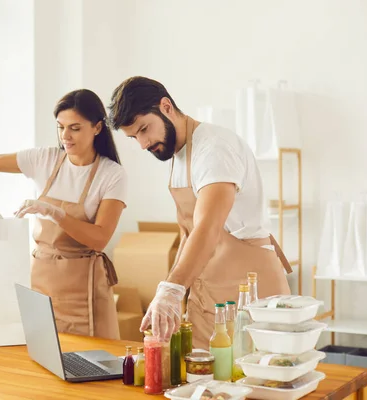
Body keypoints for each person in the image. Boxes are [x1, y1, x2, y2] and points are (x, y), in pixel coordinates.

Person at [107, 76, 291, 349]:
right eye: (135, 137)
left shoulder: (214, 149)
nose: (143, 144)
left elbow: (207, 228)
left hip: (248, 290)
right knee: (204, 383)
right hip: (208, 289)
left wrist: (172, 288)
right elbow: (189, 233)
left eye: (145, 129)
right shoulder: (179, 154)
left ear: (166, 107)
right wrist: (171, 291)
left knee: (252, 381)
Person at [0, 89, 127, 340]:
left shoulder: (111, 175)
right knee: (42, 354)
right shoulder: (43, 159)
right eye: (60, 127)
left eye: (75, 128)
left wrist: (55, 213)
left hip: (84, 286)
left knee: (90, 360)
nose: (65, 136)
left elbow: (99, 239)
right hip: (42, 280)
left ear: (97, 128)